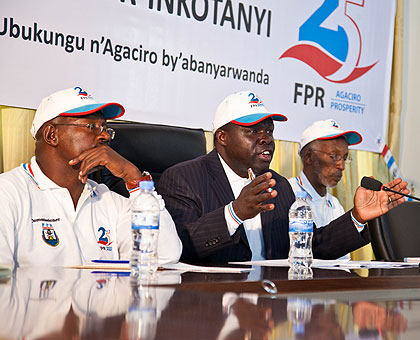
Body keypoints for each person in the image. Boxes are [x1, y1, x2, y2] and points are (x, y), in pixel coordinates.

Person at [158, 90, 408, 265]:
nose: (265, 138)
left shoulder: (278, 185)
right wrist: (234, 213)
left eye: (268, 131)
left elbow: (311, 248)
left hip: (272, 308)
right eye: (253, 131)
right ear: (222, 137)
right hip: (214, 312)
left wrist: (357, 217)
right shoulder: (183, 178)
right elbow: (179, 248)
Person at [0, 86, 182, 267]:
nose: (104, 136)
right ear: (51, 135)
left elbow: (163, 256)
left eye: (105, 127)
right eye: (91, 126)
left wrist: (133, 178)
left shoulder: (106, 199)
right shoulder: (8, 193)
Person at [288, 119, 362, 260]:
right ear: (309, 156)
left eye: (344, 157)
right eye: (334, 156)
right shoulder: (287, 194)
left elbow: (343, 261)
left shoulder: (335, 205)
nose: (341, 165)